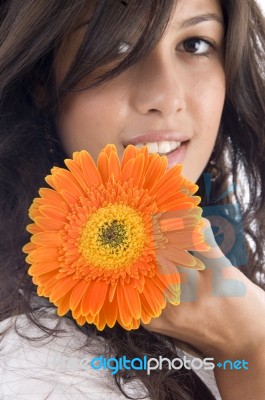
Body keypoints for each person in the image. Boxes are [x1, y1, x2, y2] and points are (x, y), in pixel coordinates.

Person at [0, 0, 265, 399]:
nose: (166, 96)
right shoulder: (34, 365)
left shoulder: (225, 279)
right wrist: (251, 348)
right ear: (42, 76)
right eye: (114, 48)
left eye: (194, 44)